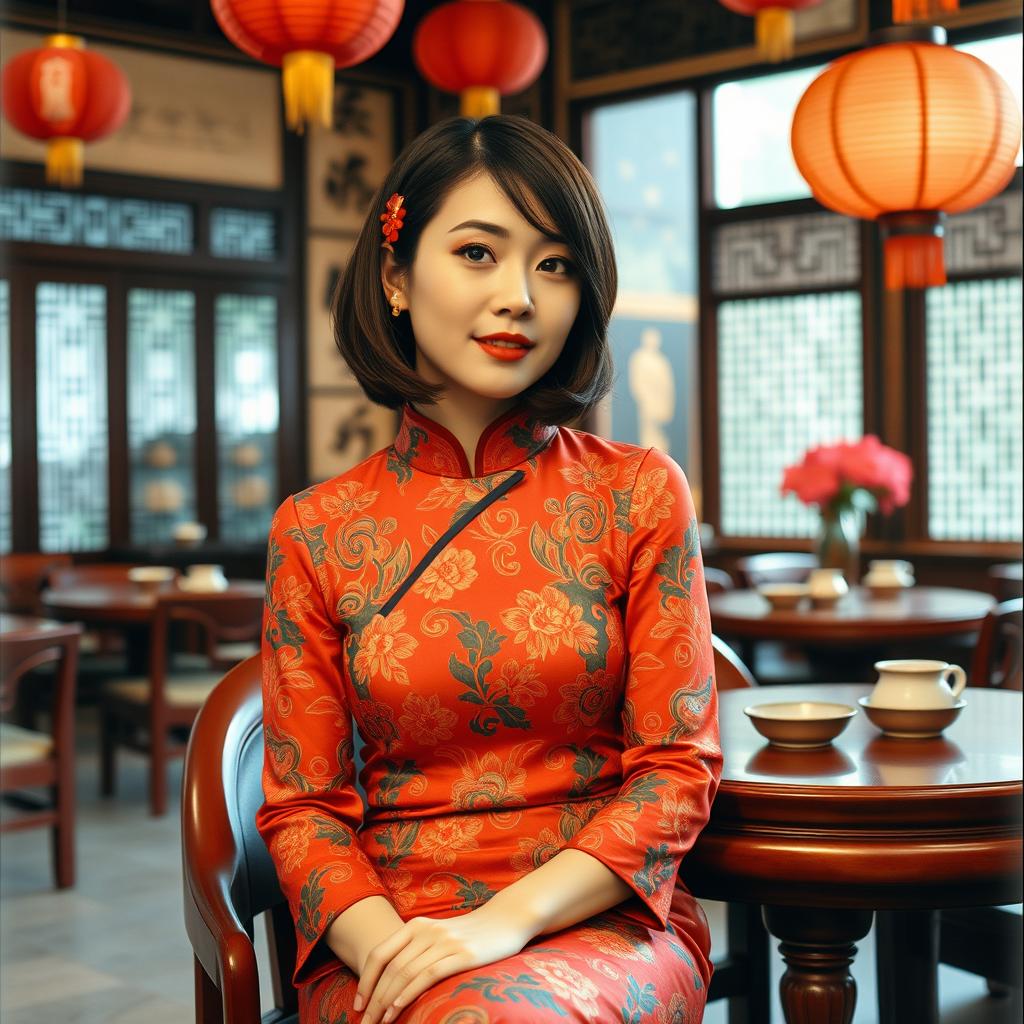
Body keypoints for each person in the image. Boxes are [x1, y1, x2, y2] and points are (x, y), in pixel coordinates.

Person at [258, 114, 722, 1024]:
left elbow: (677, 770)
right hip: (385, 929)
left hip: (603, 920)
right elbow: (302, 808)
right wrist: (390, 945)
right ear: (395, 277)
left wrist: (500, 926)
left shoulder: (637, 493)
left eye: (554, 264)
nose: (520, 295)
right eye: (479, 252)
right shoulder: (314, 530)